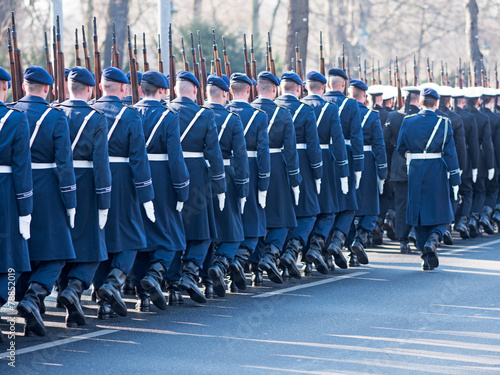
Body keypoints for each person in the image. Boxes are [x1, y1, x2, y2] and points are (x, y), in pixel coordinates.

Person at [13, 66, 77, 336]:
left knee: (22, 253)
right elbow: (64, 163)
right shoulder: (54, 116)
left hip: (13, 189)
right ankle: (34, 296)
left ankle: (27, 302)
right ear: (48, 88)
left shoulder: (11, 112)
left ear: (24, 86)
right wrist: (70, 200)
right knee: (56, 253)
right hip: (48, 188)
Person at [92, 67, 156, 319]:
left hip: (93, 180)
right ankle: (113, 283)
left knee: (101, 239)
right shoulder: (129, 116)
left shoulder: (90, 111)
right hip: (122, 180)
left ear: (100, 87)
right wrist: (146, 195)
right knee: (132, 236)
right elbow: (139, 160)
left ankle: (102, 299)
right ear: (124, 88)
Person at [58, 67, 112, 327]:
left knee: (64, 241)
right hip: (87, 184)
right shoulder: (95, 117)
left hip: (57, 182)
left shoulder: (54, 112)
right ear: (90, 89)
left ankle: (65, 294)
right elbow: (101, 163)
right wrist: (104, 199)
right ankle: (75, 288)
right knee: (92, 246)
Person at [133, 70, 189, 311]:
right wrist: (182, 189)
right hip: (162, 179)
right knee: (172, 234)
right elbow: (175, 158)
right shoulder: (168, 116)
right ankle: (156, 275)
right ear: (164, 91)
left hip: (134, 177)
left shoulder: (131, 112)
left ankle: (141, 296)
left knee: (140, 234)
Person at [169, 71, 226, 303]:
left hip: (167, 174)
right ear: (195, 90)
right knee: (201, 231)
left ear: (174, 90)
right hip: (196, 174)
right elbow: (213, 154)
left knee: (172, 230)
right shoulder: (204, 115)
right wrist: (220, 184)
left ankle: (172, 283)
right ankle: (191, 271)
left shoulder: (166, 111)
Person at [397, 88, 461, 270]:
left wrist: (413, 155)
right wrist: (456, 179)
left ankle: (425, 255)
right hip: (436, 170)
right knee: (443, 210)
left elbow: (400, 147)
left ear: (420, 102)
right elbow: (450, 154)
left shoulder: (408, 121)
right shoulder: (444, 122)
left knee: (418, 213)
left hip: (416, 170)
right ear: (437, 103)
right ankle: (434, 238)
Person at [275, 71, 327, 276]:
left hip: (276, 164)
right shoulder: (305, 111)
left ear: (280, 88)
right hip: (303, 164)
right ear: (299, 88)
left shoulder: (270, 108)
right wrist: (318, 172)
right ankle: (292, 248)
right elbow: (314, 147)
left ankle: (276, 254)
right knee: (308, 212)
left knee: (281, 212)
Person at [252, 71, 301, 284]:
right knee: (280, 217)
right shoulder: (282, 114)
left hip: (250, 168)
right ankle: (271, 254)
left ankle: (255, 269)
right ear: (275, 89)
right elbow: (290, 151)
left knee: (256, 217)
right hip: (277, 169)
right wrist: (295, 179)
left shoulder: (248, 111)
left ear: (256, 89)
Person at [203, 74, 249, 297]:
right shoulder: (232, 119)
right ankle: (220, 264)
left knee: (205, 231)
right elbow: (240, 158)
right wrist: (243, 189)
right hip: (226, 176)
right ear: (225, 94)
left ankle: (207, 281)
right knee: (233, 232)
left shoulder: (196, 114)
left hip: (198, 176)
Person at [301, 71, 349, 272]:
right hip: (326, 163)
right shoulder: (330, 109)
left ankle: (306, 255)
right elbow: (338, 143)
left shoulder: (299, 106)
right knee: (327, 210)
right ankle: (317, 246)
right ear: (323, 87)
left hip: (301, 162)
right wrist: (344, 169)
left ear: (306, 87)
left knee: (307, 210)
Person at [226, 73, 270, 289]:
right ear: (249, 90)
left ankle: (230, 264)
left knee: (231, 219)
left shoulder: (222, 112)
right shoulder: (259, 116)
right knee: (254, 221)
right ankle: (243, 260)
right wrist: (264, 182)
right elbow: (263, 153)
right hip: (251, 169)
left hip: (226, 170)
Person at [0, 67, 33, 342]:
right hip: (6, 193)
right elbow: (22, 169)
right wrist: (26, 209)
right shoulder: (15, 119)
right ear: (5, 87)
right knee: (13, 258)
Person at [323, 68, 365, 266]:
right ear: (343, 86)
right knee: (348, 205)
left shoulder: (318, 102)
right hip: (345, 158)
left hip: (322, 158)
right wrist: (358, 166)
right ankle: (338, 241)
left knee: (328, 206)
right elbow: (357, 138)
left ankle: (324, 253)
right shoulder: (350, 104)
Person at [347, 80, 387, 262]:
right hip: (368, 162)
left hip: (346, 160)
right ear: (364, 96)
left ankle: (350, 248)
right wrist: (382, 171)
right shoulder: (371, 115)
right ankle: (360, 238)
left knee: (349, 207)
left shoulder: (341, 113)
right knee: (370, 207)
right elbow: (379, 145)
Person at [384, 87, 420, 253]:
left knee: (401, 204)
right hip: (419, 165)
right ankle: (415, 231)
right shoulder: (421, 117)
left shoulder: (393, 116)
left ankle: (403, 240)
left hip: (398, 166)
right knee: (419, 202)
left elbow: (385, 143)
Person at [464, 87, 495, 237]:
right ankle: (475, 219)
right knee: (480, 191)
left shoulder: (460, 115)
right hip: (480, 158)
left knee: (468, 190)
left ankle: (468, 220)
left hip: (464, 157)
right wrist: (491, 165)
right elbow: (488, 145)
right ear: (478, 101)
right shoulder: (483, 118)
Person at [453, 87, 479, 239]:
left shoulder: (447, 116)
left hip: (447, 159)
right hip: (465, 159)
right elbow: (473, 144)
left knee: (452, 192)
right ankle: (462, 220)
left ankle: (452, 222)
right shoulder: (468, 117)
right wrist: (474, 165)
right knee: (467, 191)